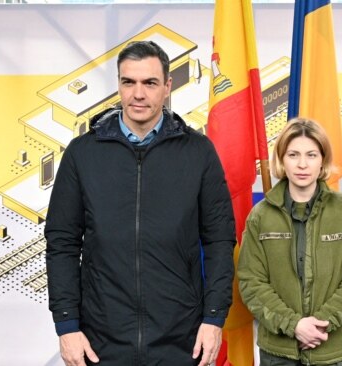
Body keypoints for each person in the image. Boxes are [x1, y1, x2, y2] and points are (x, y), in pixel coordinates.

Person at [45, 40, 236, 366]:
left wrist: (214, 318)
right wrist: (66, 325)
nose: (138, 94)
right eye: (128, 82)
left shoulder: (198, 152)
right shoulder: (83, 153)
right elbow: (61, 243)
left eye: (149, 83)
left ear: (167, 86)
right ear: (118, 85)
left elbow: (219, 241)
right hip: (100, 339)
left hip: (181, 338)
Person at [237, 118, 342, 366]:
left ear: (322, 159)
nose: (302, 164)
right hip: (279, 355)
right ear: (281, 160)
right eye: (293, 154)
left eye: (311, 155)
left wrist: (320, 323)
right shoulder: (260, 216)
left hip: (335, 354)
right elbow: (251, 282)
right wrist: (294, 325)